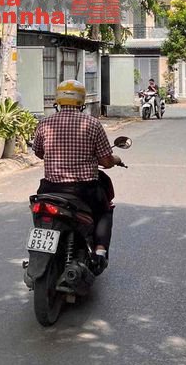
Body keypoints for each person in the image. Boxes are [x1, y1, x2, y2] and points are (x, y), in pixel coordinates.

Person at [32, 79, 123, 269]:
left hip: (50, 189)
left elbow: (39, 153)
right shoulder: (92, 124)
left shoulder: (44, 123)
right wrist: (115, 160)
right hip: (84, 190)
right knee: (105, 210)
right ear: (81, 101)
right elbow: (106, 161)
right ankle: (99, 251)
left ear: (57, 100)